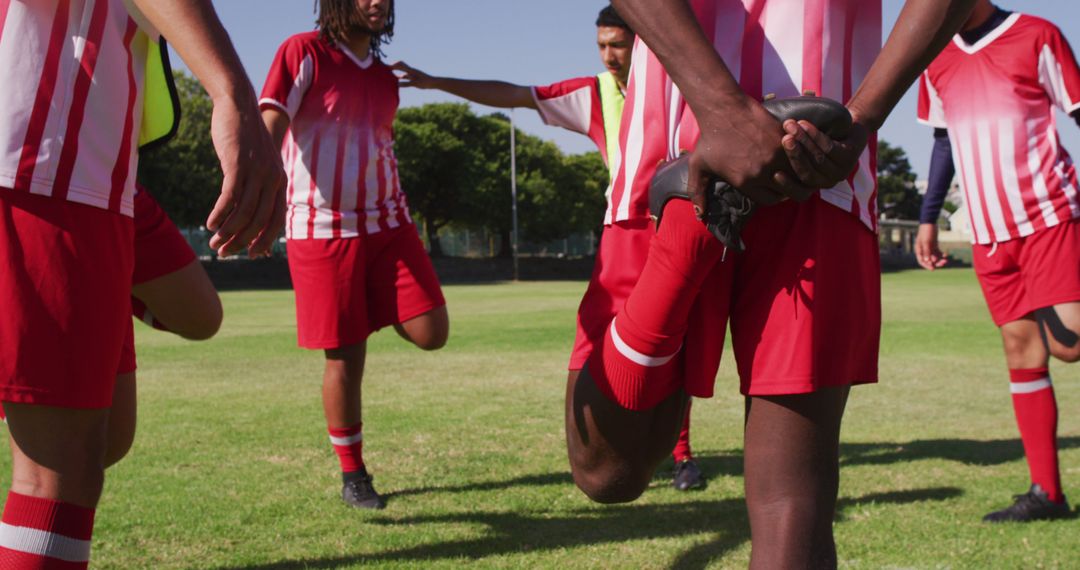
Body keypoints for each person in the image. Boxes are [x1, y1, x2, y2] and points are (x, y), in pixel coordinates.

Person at [564, 0, 978, 566]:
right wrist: (739, 110)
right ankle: (688, 234)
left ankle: (687, 224)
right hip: (759, 155)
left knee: (780, 506)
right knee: (634, 474)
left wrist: (855, 121)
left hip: (779, 163)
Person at [0, 0, 284, 566]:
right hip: (43, 153)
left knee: (117, 425)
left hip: (104, 172)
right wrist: (232, 93)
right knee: (59, 470)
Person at [396, 4, 705, 491]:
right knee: (614, 342)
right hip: (625, 236)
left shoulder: (689, 81)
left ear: (645, 40)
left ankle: (682, 455)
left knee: (677, 343)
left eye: (617, 45)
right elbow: (518, 96)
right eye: (601, 45)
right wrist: (436, 83)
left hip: (682, 226)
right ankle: (621, 448)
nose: (608, 56)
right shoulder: (595, 94)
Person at [260, 0, 449, 510]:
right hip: (323, 229)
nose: (377, 3)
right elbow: (271, 122)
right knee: (345, 358)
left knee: (432, 330)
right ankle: (354, 474)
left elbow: (380, 146)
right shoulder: (304, 52)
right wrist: (261, 191)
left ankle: (363, 310)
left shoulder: (387, 78)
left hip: (389, 222)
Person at [916, 0, 1080, 523]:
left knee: (1070, 343)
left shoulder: (1037, 34)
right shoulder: (934, 58)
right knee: (1022, 348)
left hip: (1050, 216)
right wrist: (927, 218)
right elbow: (942, 143)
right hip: (988, 232)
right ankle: (1047, 493)